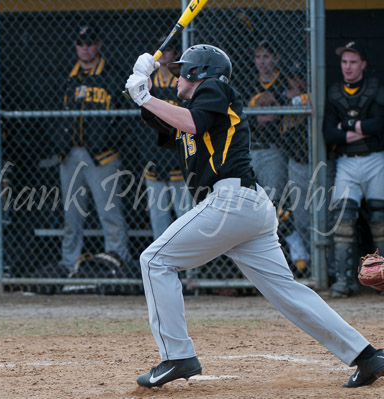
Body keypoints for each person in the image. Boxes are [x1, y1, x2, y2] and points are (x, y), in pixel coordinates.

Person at [124, 44, 384, 389]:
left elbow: (190, 120)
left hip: (231, 202)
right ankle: (367, 357)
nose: (176, 79)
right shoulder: (195, 108)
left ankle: (177, 355)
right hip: (245, 208)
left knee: (154, 260)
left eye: (182, 72)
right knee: (288, 293)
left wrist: (145, 96)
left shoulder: (215, 88)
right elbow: (170, 123)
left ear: (199, 73)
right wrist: (142, 87)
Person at [41, 23, 132, 277]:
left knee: (110, 213)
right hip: (70, 155)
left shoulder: (112, 75)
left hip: (103, 156)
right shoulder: (66, 76)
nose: (85, 48)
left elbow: (126, 118)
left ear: (99, 44)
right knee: (72, 215)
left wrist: (109, 140)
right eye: (80, 43)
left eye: (90, 43)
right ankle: (70, 264)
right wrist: (60, 144)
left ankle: (117, 262)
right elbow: (53, 116)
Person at [323, 41, 384, 298]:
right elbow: (329, 133)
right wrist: (362, 128)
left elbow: (380, 125)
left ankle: (381, 281)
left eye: (353, 62)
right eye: (344, 62)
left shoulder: (376, 88)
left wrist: (347, 127)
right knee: (343, 223)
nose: (348, 67)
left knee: (380, 221)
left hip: (376, 159)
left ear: (363, 65)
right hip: (346, 163)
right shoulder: (335, 91)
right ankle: (343, 282)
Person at [141, 37, 193, 240]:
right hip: (154, 154)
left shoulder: (181, 83)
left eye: (168, 49)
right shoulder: (147, 80)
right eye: (159, 49)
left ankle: (190, 269)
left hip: (177, 157)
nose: (163, 54)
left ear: (176, 54)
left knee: (185, 215)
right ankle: (160, 262)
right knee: (158, 216)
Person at [246, 41, 288, 208]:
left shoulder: (285, 80)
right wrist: (260, 117)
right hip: (250, 148)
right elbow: (241, 113)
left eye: (266, 57)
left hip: (275, 147)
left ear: (276, 58)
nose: (261, 62)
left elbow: (284, 108)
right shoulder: (249, 81)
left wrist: (258, 110)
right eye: (258, 57)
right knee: (249, 200)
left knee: (274, 200)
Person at [281, 60, 311, 274]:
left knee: (329, 218)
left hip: (320, 161)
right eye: (293, 77)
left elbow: (313, 99)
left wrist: (296, 99)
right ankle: (311, 267)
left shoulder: (315, 92)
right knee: (301, 218)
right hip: (296, 161)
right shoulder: (283, 94)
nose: (296, 81)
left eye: (300, 77)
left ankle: (329, 269)